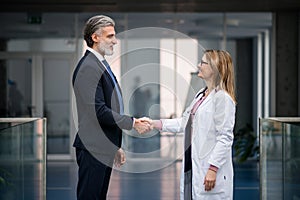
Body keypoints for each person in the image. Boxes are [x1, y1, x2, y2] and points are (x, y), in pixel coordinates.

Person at [72, 15, 151, 200]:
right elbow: (98, 111)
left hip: (101, 146)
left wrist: (114, 146)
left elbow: (110, 106)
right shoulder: (88, 67)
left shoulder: (100, 64)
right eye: (110, 36)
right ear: (95, 37)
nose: (115, 41)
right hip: (93, 148)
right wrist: (132, 123)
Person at [148, 49, 236, 199]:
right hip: (192, 165)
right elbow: (184, 122)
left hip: (208, 169)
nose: (198, 65)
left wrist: (213, 168)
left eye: (203, 62)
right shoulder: (201, 95)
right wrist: (154, 123)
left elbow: (225, 137)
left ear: (215, 69)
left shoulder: (222, 98)